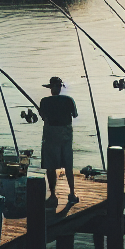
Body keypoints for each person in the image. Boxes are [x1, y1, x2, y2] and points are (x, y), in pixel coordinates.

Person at [39, 76, 78, 205]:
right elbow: (74, 115)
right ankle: (72, 193)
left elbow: (44, 117)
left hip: (51, 135)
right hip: (65, 135)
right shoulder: (68, 100)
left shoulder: (44, 101)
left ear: (51, 88)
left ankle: (53, 195)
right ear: (60, 88)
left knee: (50, 166)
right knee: (68, 165)